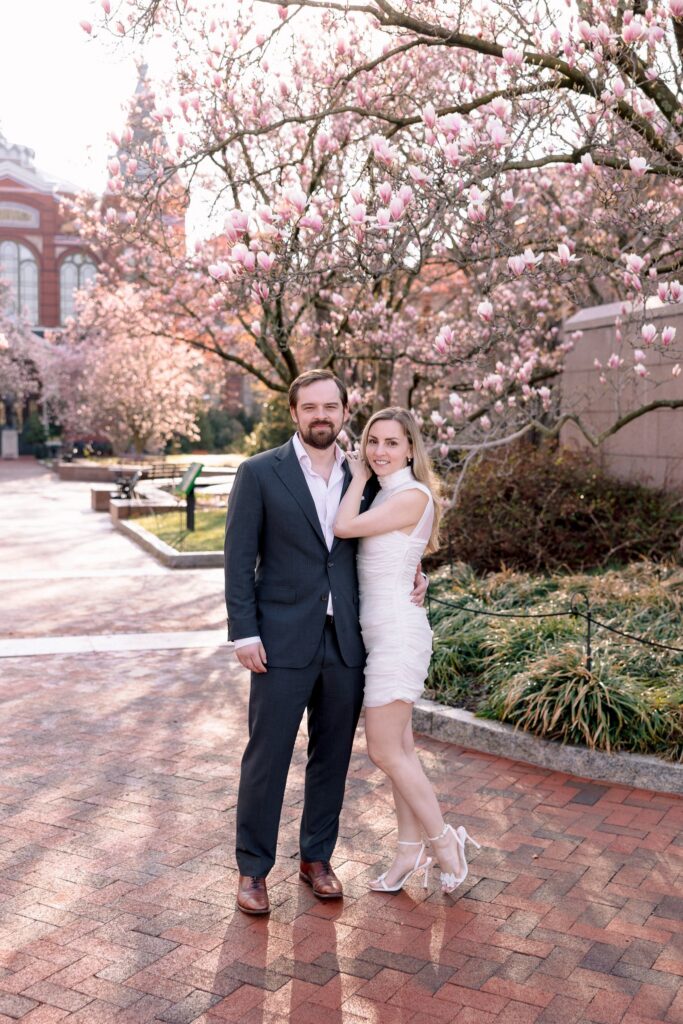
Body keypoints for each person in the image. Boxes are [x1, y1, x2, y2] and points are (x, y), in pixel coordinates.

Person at [224, 370, 427, 915]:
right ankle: (253, 870)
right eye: (310, 407)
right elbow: (238, 560)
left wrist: (417, 571)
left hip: (346, 642)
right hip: (279, 641)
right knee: (267, 756)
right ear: (294, 413)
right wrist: (244, 632)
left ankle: (317, 858)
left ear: (344, 411)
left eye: (330, 407)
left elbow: (391, 538)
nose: (321, 416)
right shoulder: (259, 472)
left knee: (332, 757)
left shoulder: (368, 476)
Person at [334, 407, 479, 895]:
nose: (378, 451)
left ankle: (444, 843)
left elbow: (343, 527)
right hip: (379, 632)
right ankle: (407, 852)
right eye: (372, 441)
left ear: (411, 449)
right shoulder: (388, 492)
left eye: (391, 443)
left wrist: (356, 476)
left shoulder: (411, 495)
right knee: (401, 751)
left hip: (397, 636)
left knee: (382, 749)